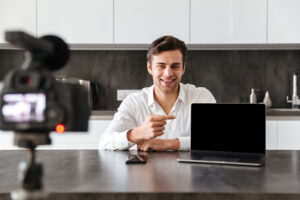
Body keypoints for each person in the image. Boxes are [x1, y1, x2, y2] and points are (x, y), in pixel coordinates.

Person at [98, 35, 216, 151]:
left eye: (175, 66)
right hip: (146, 170)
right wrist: (136, 134)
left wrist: (170, 144)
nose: (168, 73)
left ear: (183, 68)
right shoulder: (134, 102)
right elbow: (104, 143)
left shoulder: (201, 97)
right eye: (161, 66)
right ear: (150, 68)